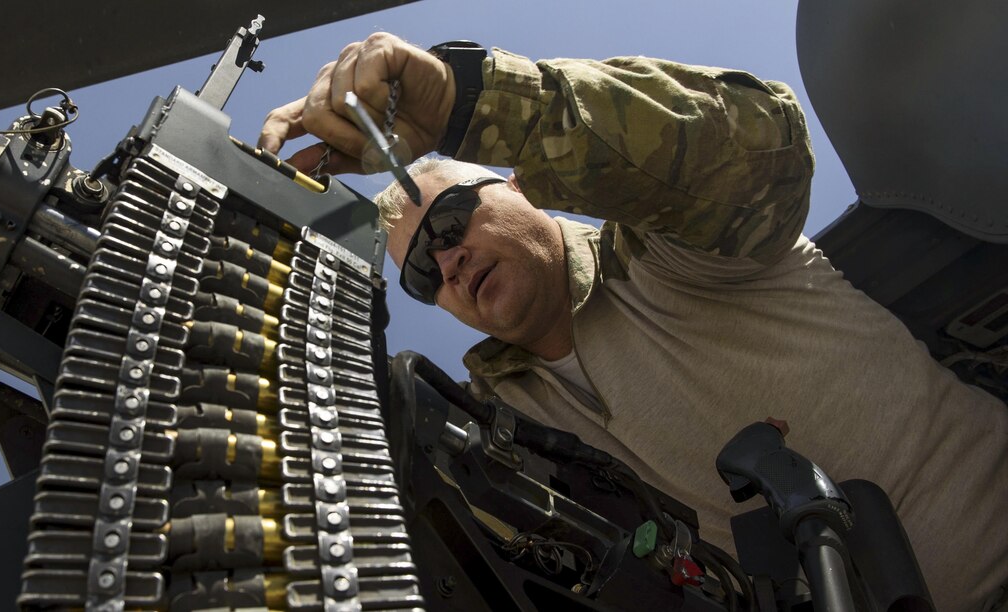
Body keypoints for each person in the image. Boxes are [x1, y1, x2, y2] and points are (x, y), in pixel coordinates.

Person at [260, 32, 1008, 610]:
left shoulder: (674, 250)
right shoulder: (494, 430)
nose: (449, 261)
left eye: (454, 220)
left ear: (518, 187)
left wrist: (471, 103)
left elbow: (760, 144)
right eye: (423, 269)